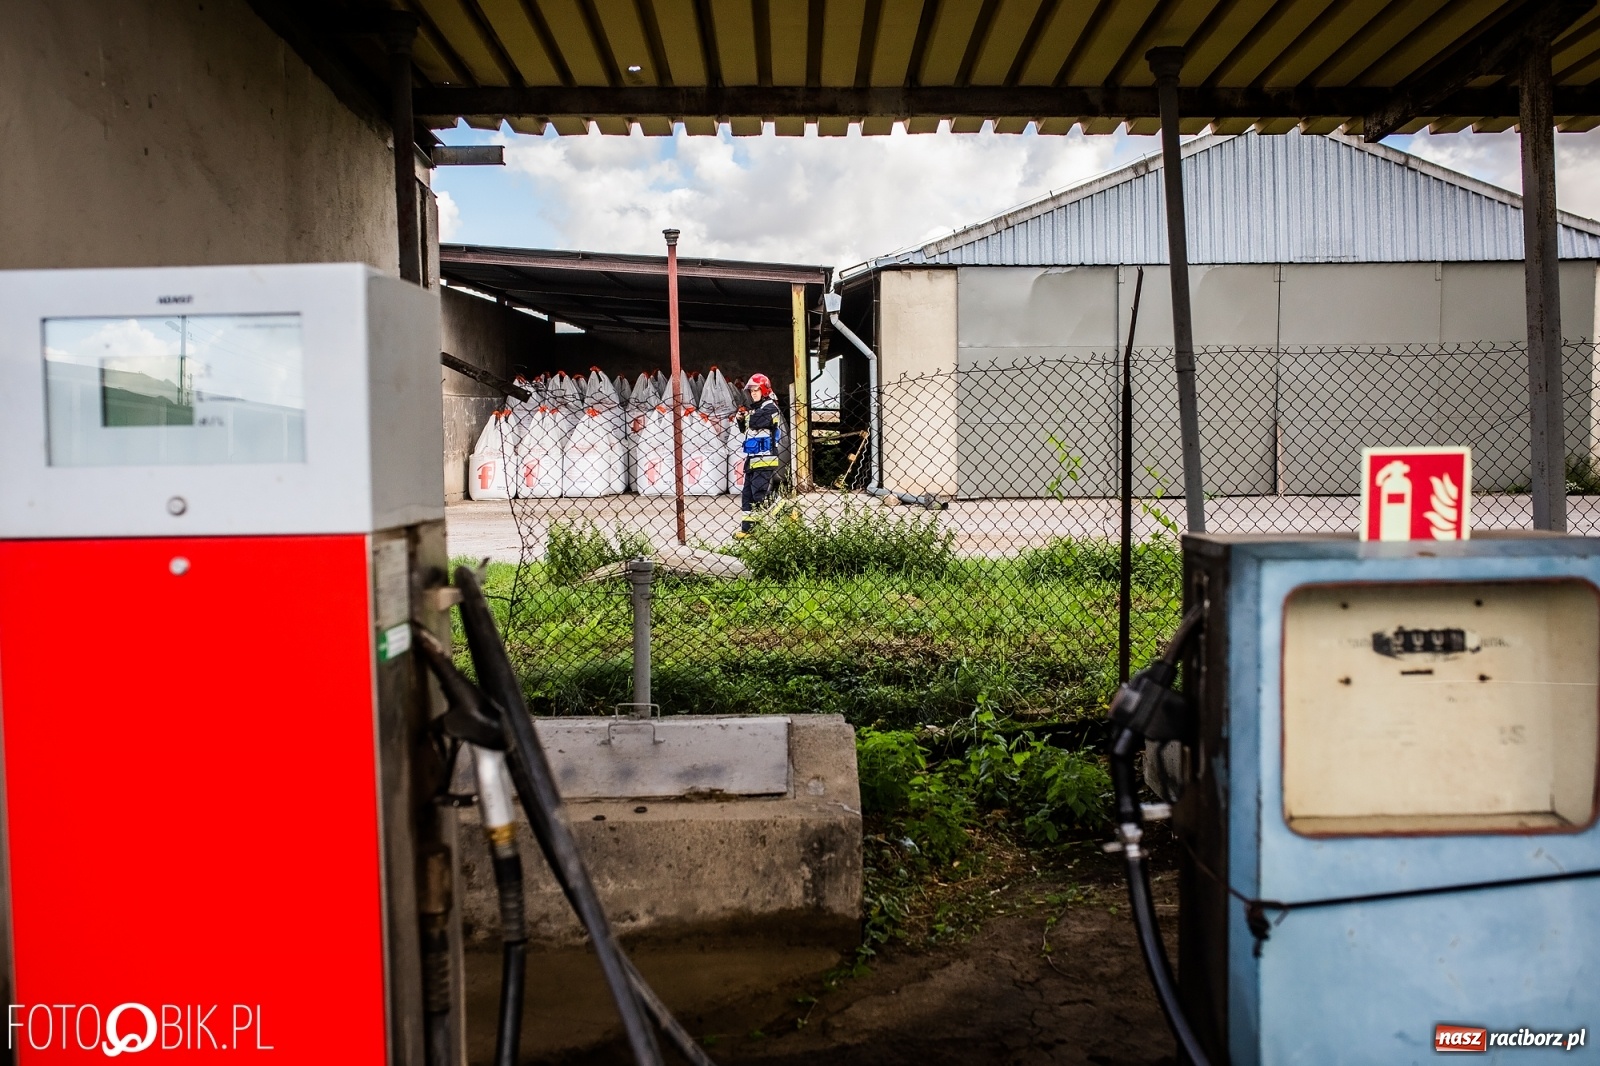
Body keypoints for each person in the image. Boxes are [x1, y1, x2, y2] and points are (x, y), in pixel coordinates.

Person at [735, 373, 782, 536]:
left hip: (765, 458)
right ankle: (748, 531)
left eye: (756, 390)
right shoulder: (755, 410)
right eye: (752, 391)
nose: (753, 393)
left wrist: (745, 416)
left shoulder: (770, 408)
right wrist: (741, 419)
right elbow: (747, 427)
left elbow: (756, 422)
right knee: (747, 495)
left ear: (764, 390)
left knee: (759, 493)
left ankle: (784, 508)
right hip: (753, 460)